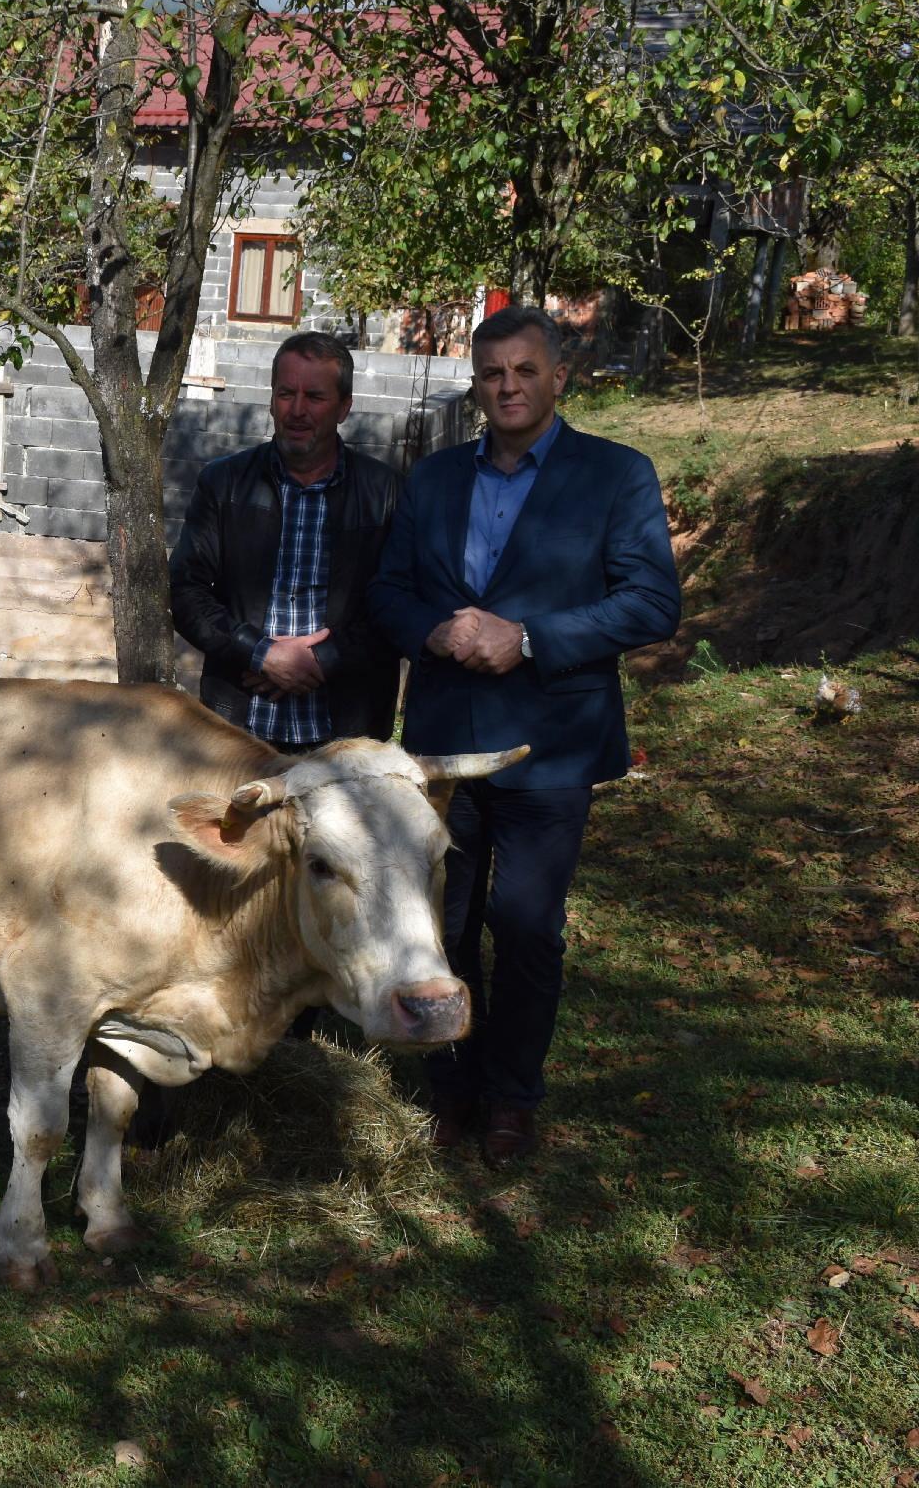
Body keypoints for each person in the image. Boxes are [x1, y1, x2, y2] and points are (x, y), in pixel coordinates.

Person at [369, 305, 681, 1167]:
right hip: (443, 745)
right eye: (492, 373)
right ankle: (453, 1087)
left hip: (552, 741)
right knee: (449, 922)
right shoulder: (433, 479)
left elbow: (653, 601)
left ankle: (513, 1097)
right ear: (477, 383)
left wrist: (530, 637)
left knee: (529, 925)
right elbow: (389, 591)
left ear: (559, 377)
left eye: (524, 371)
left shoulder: (615, 475)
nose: (507, 386)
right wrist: (432, 631)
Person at [169, 331, 405, 753]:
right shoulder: (224, 483)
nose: (297, 410)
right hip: (239, 728)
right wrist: (260, 654)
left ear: (344, 406)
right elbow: (186, 593)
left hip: (346, 733)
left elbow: (395, 606)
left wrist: (320, 660)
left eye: (314, 396)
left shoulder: (384, 492)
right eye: (285, 394)